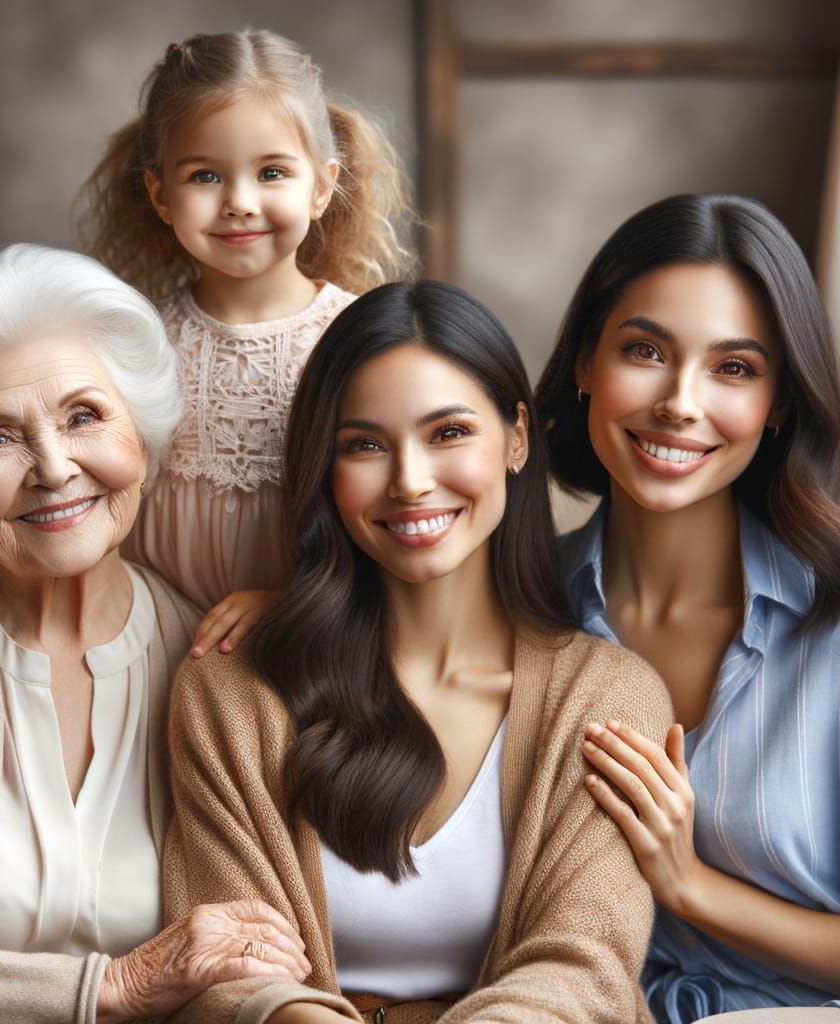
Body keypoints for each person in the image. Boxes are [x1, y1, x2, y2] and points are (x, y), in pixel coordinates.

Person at [162, 281, 673, 1023]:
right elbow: (229, 977)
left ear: (518, 439)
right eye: (365, 445)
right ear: (325, 469)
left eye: (449, 433)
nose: (409, 481)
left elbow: (581, 970)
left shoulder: (607, 700)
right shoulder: (233, 689)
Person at [0, 245, 310, 1024]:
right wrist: (116, 988)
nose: (54, 467)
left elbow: (260, 955)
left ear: (141, 434)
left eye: (83, 416)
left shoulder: (220, 668)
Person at [0, 29, 414, 657]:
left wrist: (292, 607)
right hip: (150, 648)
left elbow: (392, 511)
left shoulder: (363, 344)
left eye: (271, 173)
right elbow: (41, 490)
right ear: (160, 194)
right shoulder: (127, 345)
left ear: (321, 186)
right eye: (205, 175)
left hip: (312, 643)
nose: (238, 202)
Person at [535, 194, 840, 1024]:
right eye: (645, 350)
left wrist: (690, 885)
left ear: (779, 406)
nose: (680, 402)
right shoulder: (523, 606)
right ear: (586, 363)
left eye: (734, 368)